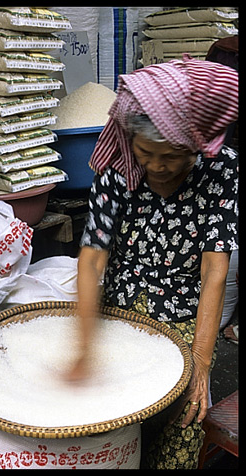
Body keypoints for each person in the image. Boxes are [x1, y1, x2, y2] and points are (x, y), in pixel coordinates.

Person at [67, 54, 238, 469]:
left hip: (184, 316)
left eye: (173, 156)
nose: (159, 168)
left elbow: (214, 269)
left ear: (197, 143)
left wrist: (200, 361)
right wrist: (86, 348)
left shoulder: (222, 170)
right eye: (147, 154)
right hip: (122, 309)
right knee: (112, 427)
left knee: (183, 427)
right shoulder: (115, 168)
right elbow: (91, 262)